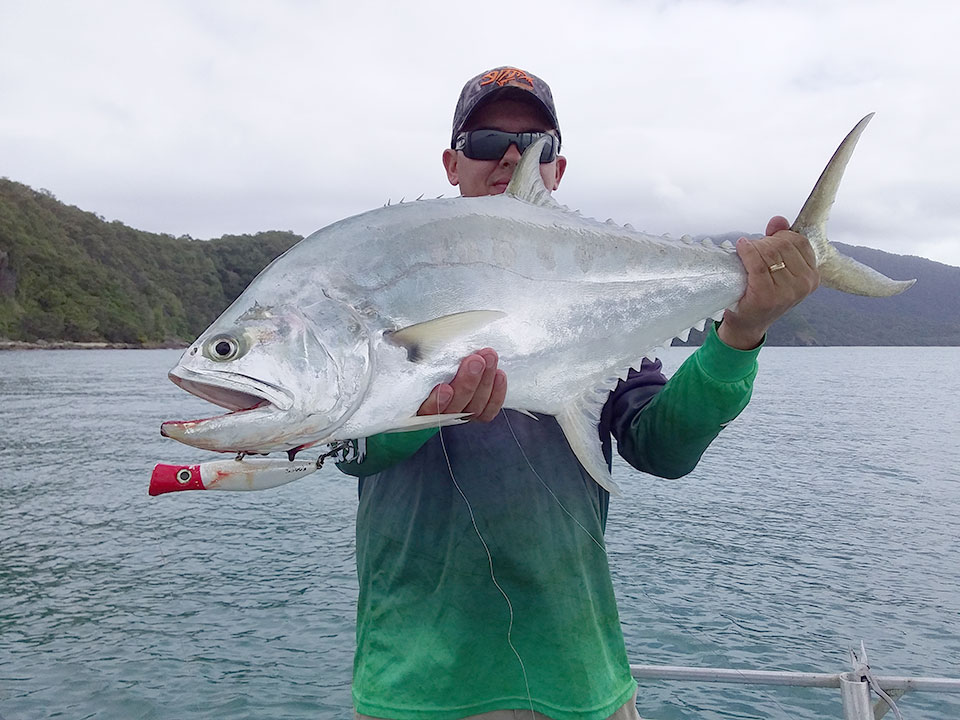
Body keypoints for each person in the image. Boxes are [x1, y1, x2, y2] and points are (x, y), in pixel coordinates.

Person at [338, 66, 819, 720]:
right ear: (453, 163)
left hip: (579, 684)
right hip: (416, 688)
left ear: (557, 172)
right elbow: (347, 451)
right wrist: (421, 409)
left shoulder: (599, 305)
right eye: (485, 142)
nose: (511, 156)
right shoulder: (391, 284)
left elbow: (663, 446)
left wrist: (742, 331)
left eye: (536, 144)